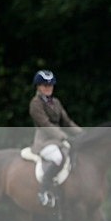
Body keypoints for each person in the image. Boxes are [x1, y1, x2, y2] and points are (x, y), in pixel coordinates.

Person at [28, 70, 83, 207]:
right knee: (58, 158)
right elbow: (45, 124)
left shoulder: (56, 102)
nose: (48, 88)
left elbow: (67, 122)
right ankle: (43, 191)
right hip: (44, 142)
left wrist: (83, 133)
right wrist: (63, 136)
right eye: (45, 86)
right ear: (38, 87)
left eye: (50, 85)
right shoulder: (35, 104)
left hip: (58, 140)